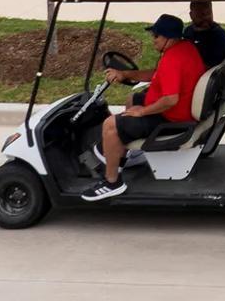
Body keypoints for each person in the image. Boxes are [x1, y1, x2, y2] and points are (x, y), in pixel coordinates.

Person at [86, 14, 205, 201]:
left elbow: (170, 99)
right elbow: (157, 74)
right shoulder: (185, 48)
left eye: (156, 36)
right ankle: (123, 154)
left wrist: (142, 111)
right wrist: (126, 74)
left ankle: (112, 182)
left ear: (169, 38)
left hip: (171, 119)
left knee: (110, 125)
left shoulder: (172, 59)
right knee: (133, 99)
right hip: (179, 110)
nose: (153, 40)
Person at [107, 0, 225, 77]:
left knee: (133, 100)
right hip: (188, 81)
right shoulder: (188, 33)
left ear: (170, 38)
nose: (206, 18)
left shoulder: (218, 35)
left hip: (200, 83)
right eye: (201, 15)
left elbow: (211, 68)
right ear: (191, 15)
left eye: (208, 13)